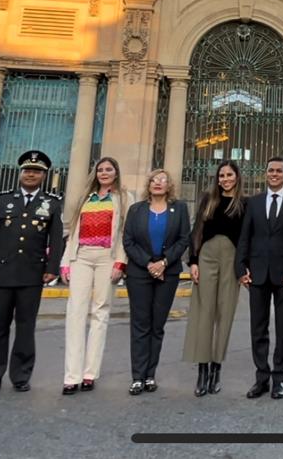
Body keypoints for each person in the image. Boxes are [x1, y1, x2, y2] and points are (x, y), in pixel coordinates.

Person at [0, 150, 63, 395]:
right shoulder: (2, 201)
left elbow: (56, 239)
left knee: (25, 327)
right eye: (27, 170)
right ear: (20, 173)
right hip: (1, 272)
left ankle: (21, 375)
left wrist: (52, 268)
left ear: (44, 175)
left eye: (37, 171)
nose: (31, 174)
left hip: (33, 274)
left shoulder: (51, 203)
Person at [235, 157, 283, 401]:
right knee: (258, 328)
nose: (274, 174)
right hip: (257, 274)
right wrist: (240, 268)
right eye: (270, 170)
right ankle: (261, 378)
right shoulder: (252, 203)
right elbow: (244, 238)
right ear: (265, 174)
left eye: (279, 171)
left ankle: (279, 379)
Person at [59, 156, 132, 394]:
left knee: (100, 312)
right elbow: (72, 231)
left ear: (116, 172)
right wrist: (65, 261)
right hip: (81, 255)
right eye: (100, 169)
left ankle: (90, 373)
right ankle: (72, 375)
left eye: (109, 169)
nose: (104, 173)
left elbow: (124, 232)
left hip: (107, 257)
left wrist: (120, 262)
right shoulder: (85, 197)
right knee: (75, 311)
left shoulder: (123, 198)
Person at [122, 168, 190, 395]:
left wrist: (164, 262)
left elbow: (183, 239)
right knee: (140, 324)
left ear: (169, 184)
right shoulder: (136, 210)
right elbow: (128, 241)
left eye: (162, 179)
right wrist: (150, 264)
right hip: (139, 273)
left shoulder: (179, 209)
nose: (158, 183)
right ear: (148, 185)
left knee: (157, 325)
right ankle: (137, 376)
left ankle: (150, 374)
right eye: (154, 180)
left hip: (167, 274)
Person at [183, 160, 245, 397]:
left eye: (229, 175)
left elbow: (245, 237)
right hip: (206, 256)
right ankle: (202, 369)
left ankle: (216, 368)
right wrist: (194, 261)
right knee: (203, 313)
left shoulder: (243, 204)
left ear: (237, 177)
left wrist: (243, 267)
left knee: (225, 313)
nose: (225, 179)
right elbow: (197, 230)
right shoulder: (208, 200)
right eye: (221, 175)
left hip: (231, 259)